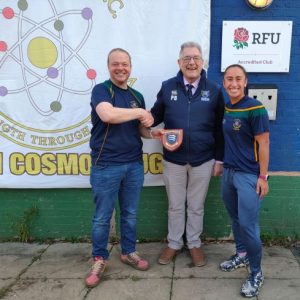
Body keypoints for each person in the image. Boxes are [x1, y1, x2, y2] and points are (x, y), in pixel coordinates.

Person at [150, 41, 224, 267]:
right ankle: (174, 243)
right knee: (175, 205)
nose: (191, 63)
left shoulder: (214, 90)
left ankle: (193, 244)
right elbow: (155, 115)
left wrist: (219, 159)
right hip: (173, 159)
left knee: (196, 206)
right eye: (186, 59)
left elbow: (219, 128)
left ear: (203, 62)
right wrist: (144, 121)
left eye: (195, 58)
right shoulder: (167, 87)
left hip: (203, 159)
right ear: (179, 62)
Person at [85, 48, 154, 288]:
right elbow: (107, 115)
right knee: (102, 218)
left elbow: (141, 131)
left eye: (124, 64)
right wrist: (140, 112)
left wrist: (156, 132)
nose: (120, 68)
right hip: (106, 165)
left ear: (130, 66)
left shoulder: (137, 95)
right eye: (116, 64)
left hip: (134, 164)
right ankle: (99, 258)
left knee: (130, 214)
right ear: (109, 66)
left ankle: (128, 252)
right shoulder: (102, 90)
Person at [219, 64, 270, 298]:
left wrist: (263, 177)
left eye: (238, 79)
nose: (234, 83)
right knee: (236, 219)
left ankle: (257, 272)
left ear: (246, 81)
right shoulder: (227, 107)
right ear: (224, 82)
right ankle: (241, 255)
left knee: (249, 226)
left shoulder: (256, 108)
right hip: (228, 173)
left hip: (249, 176)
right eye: (229, 79)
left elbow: (264, 144)